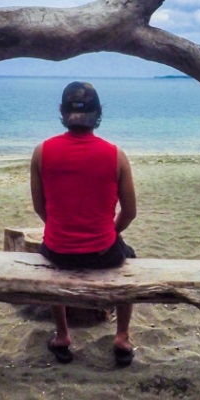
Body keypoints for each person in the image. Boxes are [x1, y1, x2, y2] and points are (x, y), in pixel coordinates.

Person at [30, 81, 138, 366]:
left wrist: (61, 229)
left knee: (51, 259)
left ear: (63, 113)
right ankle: (122, 336)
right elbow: (130, 213)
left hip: (58, 250)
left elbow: (40, 207)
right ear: (98, 114)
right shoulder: (117, 156)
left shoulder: (42, 152)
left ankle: (63, 334)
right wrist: (107, 232)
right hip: (103, 252)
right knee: (130, 258)